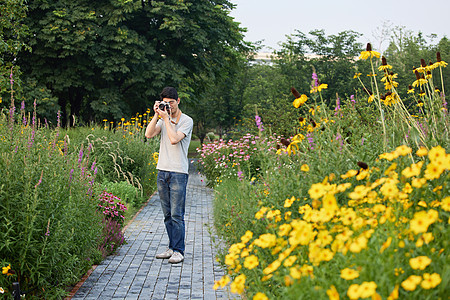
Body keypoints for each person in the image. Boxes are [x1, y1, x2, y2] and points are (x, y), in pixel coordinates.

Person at [145, 86, 193, 264]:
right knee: (167, 214)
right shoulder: (162, 118)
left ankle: (179, 251)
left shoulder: (187, 121)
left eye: (171, 103)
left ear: (178, 101)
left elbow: (174, 139)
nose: (169, 107)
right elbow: (148, 134)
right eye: (165, 104)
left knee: (176, 215)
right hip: (162, 170)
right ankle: (172, 247)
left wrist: (166, 118)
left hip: (178, 172)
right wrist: (156, 115)